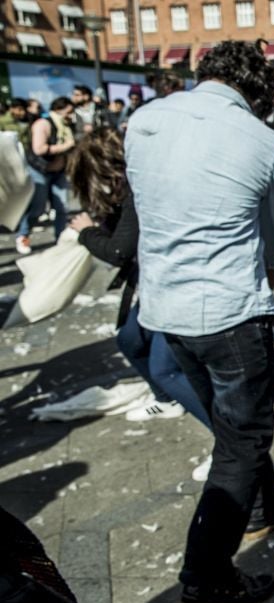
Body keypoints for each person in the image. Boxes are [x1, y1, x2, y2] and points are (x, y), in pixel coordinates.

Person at [124, 40, 274, 603]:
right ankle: (206, 574)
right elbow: (272, 242)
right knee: (242, 441)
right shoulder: (262, 142)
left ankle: (266, 505)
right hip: (228, 312)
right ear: (259, 89)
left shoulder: (145, 119)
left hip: (163, 308)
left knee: (235, 432)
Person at [65, 127, 212, 427]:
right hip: (157, 282)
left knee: (166, 369)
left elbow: (119, 249)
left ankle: (231, 450)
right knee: (130, 340)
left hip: (177, 283)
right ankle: (167, 400)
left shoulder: (140, 187)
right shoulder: (132, 187)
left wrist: (86, 232)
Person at [16, 97, 76, 255]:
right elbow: (39, 149)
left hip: (59, 172)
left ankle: (60, 240)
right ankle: (23, 235)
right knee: (37, 209)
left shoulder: (66, 126)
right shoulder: (43, 124)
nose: (71, 115)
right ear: (59, 109)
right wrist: (65, 146)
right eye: (69, 112)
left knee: (62, 207)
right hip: (40, 172)